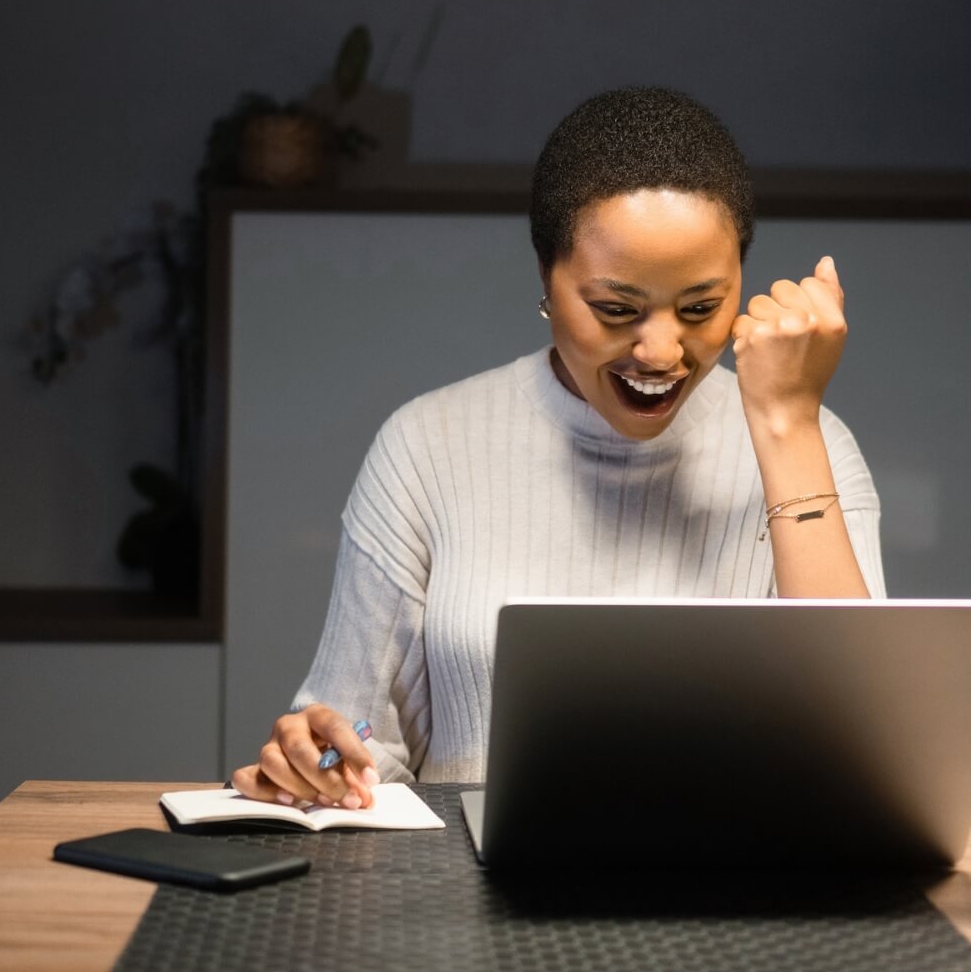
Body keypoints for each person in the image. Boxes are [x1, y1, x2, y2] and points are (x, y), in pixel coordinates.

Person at [232, 86, 885, 811]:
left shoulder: (809, 441)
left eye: (701, 307)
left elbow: (867, 759)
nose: (662, 349)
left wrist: (789, 423)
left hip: (743, 904)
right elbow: (353, 745)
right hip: (469, 904)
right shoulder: (426, 446)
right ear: (546, 279)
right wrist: (316, 765)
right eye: (616, 309)